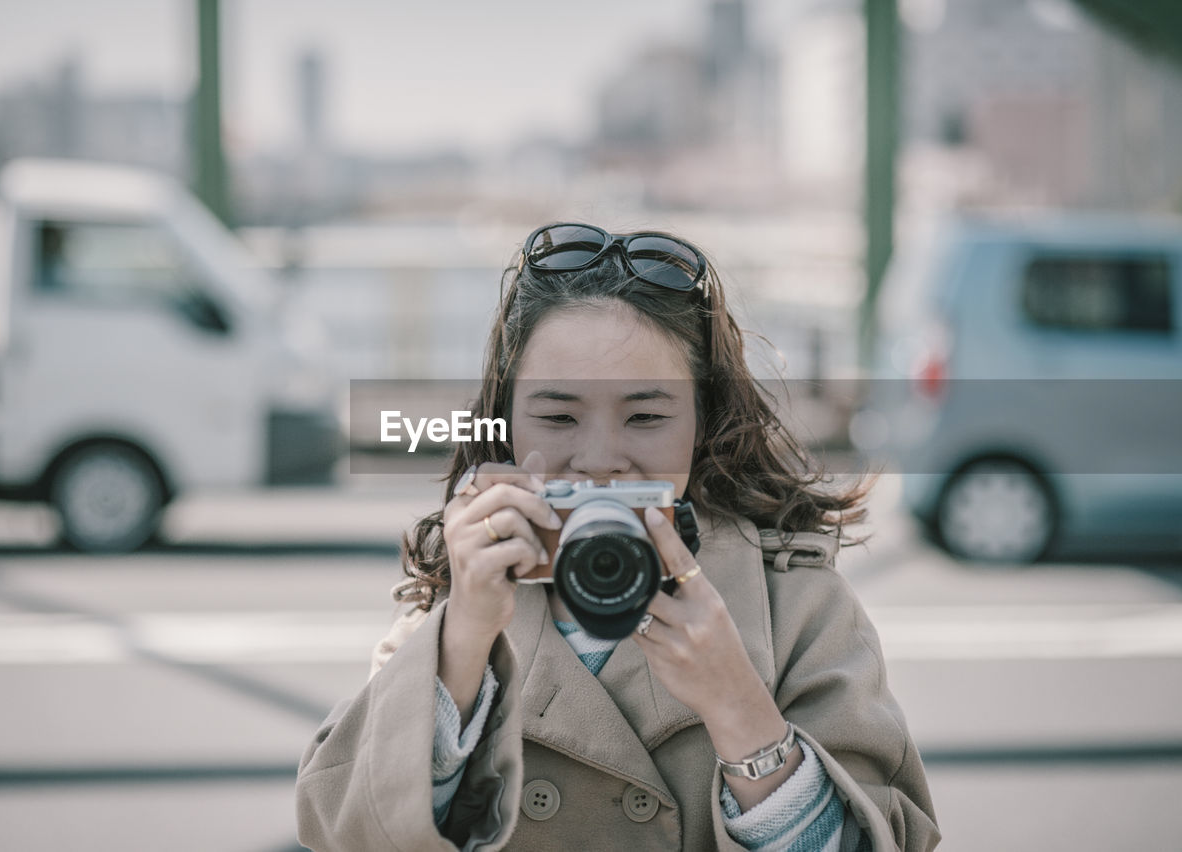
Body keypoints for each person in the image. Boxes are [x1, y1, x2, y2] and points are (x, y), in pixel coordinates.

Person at [295, 223, 940, 851]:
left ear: (702, 421)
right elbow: (344, 832)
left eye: (646, 415)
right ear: (505, 422)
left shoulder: (799, 608)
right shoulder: (454, 607)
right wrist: (463, 640)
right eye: (558, 415)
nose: (601, 458)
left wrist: (739, 707)